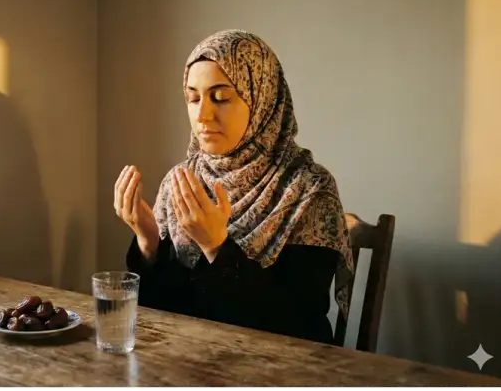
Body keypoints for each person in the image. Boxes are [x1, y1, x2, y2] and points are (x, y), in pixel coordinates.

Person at [114, 29, 355, 345]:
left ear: (262, 99)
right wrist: (148, 243)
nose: (202, 115)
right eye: (193, 98)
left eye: (221, 97)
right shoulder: (182, 181)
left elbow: (300, 324)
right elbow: (163, 309)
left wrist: (217, 247)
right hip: (189, 358)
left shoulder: (308, 189)